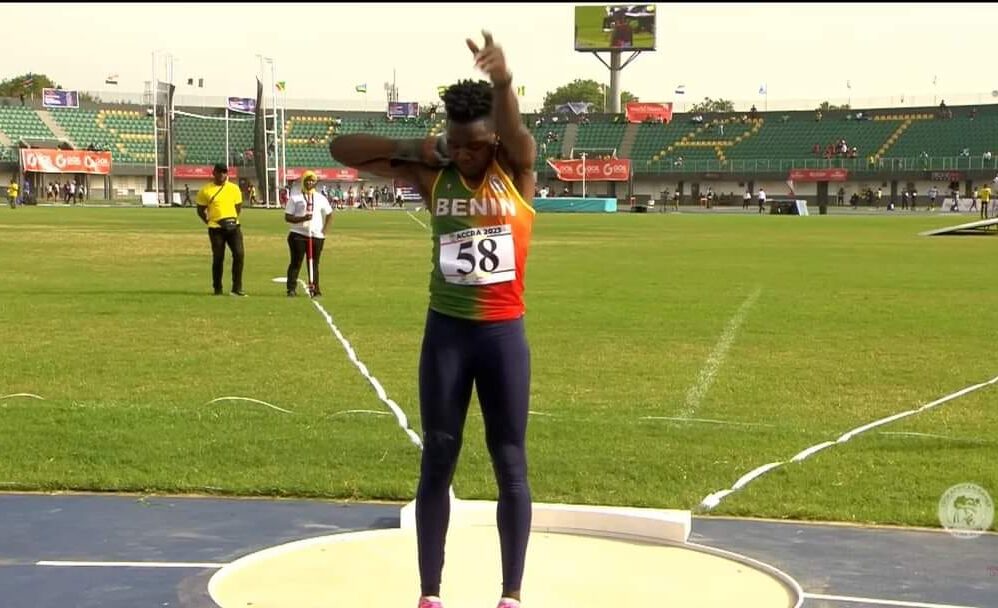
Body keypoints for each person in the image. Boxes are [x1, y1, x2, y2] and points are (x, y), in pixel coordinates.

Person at [329, 30, 535, 608]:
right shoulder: (433, 172)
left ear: (492, 138)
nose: (464, 153)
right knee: (438, 452)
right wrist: (422, 147)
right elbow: (342, 149)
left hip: (501, 335)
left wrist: (503, 83)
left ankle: (511, 594)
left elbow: (517, 134)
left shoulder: (515, 170)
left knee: (509, 458)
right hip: (446, 333)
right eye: (456, 144)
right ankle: (430, 594)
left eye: (473, 145)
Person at [196, 163, 246, 296]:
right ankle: (217, 287)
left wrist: (231, 219)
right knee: (218, 257)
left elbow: (238, 207)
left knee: (239, 254)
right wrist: (210, 221)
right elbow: (200, 210)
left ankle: (237, 288)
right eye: (220, 172)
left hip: (233, 227)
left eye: (225, 172)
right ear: (214, 173)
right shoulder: (206, 190)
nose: (222, 175)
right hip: (216, 228)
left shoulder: (234, 189)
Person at [284, 170, 333, 297]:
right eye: (307, 180)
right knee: (296, 262)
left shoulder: (321, 198)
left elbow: (329, 214)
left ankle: (315, 289)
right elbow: (288, 217)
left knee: (314, 263)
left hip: (316, 235)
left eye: (312, 181)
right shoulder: (295, 197)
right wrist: (303, 218)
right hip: (298, 234)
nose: (310, 183)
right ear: (303, 181)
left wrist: (324, 230)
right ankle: (291, 289)